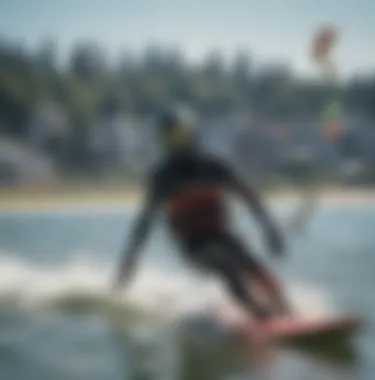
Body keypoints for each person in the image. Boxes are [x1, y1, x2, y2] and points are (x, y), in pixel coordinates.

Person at [113, 106, 291, 321]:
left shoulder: (213, 167)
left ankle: (285, 309)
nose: (178, 145)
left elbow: (249, 197)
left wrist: (271, 230)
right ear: (164, 143)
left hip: (222, 234)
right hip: (193, 245)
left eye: (181, 136)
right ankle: (259, 315)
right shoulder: (164, 178)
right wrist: (129, 263)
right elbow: (144, 224)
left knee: (252, 264)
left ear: (193, 135)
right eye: (171, 139)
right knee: (229, 266)